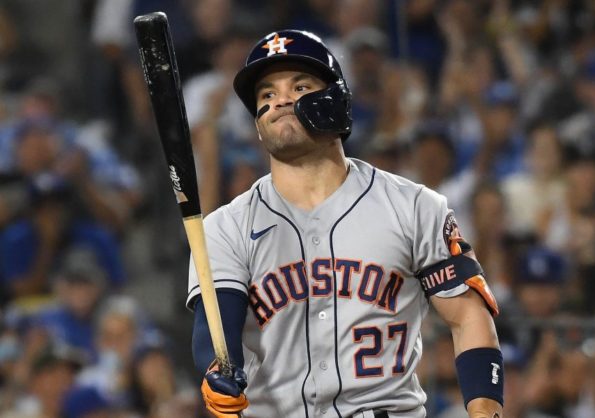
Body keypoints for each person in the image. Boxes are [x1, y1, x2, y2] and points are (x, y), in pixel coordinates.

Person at [188, 30, 504, 417]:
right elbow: (217, 329)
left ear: (337, 101)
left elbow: (469, 315)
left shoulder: (414, 207)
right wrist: (220, 371)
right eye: (266, 95)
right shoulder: (226, 227)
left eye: (300, 86)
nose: (280, 100)